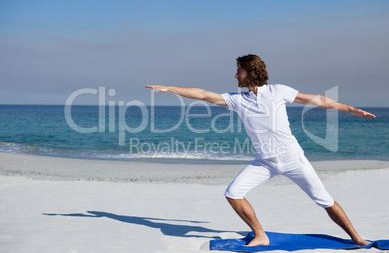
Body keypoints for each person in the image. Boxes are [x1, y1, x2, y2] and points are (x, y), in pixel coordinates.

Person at [146, 54, 375, 247]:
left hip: (293, 159)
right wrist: (170, 88)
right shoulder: (237, 100)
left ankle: (357, 238)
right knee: (233, 193)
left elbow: (318, 100)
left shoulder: (278, 91)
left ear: (251, 72)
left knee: (324, 200)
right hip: (265, 162)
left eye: (239, 71)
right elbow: (204, 94)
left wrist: (350, 109)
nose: (236, 76)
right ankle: (260, 235)